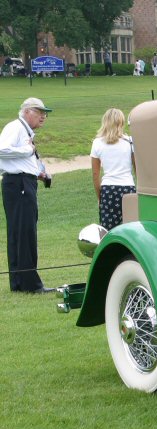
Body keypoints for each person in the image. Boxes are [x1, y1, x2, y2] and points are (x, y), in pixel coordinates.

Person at [0, 98, 53, 293]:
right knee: (25, 233)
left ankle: (19, 283)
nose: (43, 117)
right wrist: (27, 150)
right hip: (19, 185)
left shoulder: (23, 130)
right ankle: (31, 285)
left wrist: (38, 173)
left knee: (19, 233)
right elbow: (2, 150)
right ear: (28, 112)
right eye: (40, 112)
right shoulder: (16, 128)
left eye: (44, 113)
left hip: (21, 183)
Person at [90, 108, 135, 231]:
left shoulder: (97, 143)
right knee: (131, 229)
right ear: (121, 122)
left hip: (108, 190)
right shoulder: (130, 142)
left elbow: (95, 174)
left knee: (108, 231)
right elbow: (137, 169)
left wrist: (100, 197)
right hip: (128, 188)